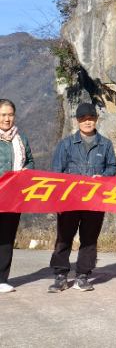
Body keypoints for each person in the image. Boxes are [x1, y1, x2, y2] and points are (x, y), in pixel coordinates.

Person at [47, 103, 116, 293]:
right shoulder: (66, 144)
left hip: (94, 201)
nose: (87, 122)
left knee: (89, 238)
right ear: (77, 121)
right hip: (70, 200)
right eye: (83, 119)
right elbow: (57, 173)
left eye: (90, 118)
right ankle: (60, 276)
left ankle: (82, 276)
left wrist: (104, 176)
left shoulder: (106, 144)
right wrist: (58, 199)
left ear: (96, 119)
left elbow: (112, 166)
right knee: (64, 237)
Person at [0, 99, 35, 293]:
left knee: (6, 238)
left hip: (13, 197)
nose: (7, 118)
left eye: (10, 114)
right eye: (3, 114)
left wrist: (25, 171)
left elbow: (29, 161)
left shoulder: (20, 139)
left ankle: (2, 279)